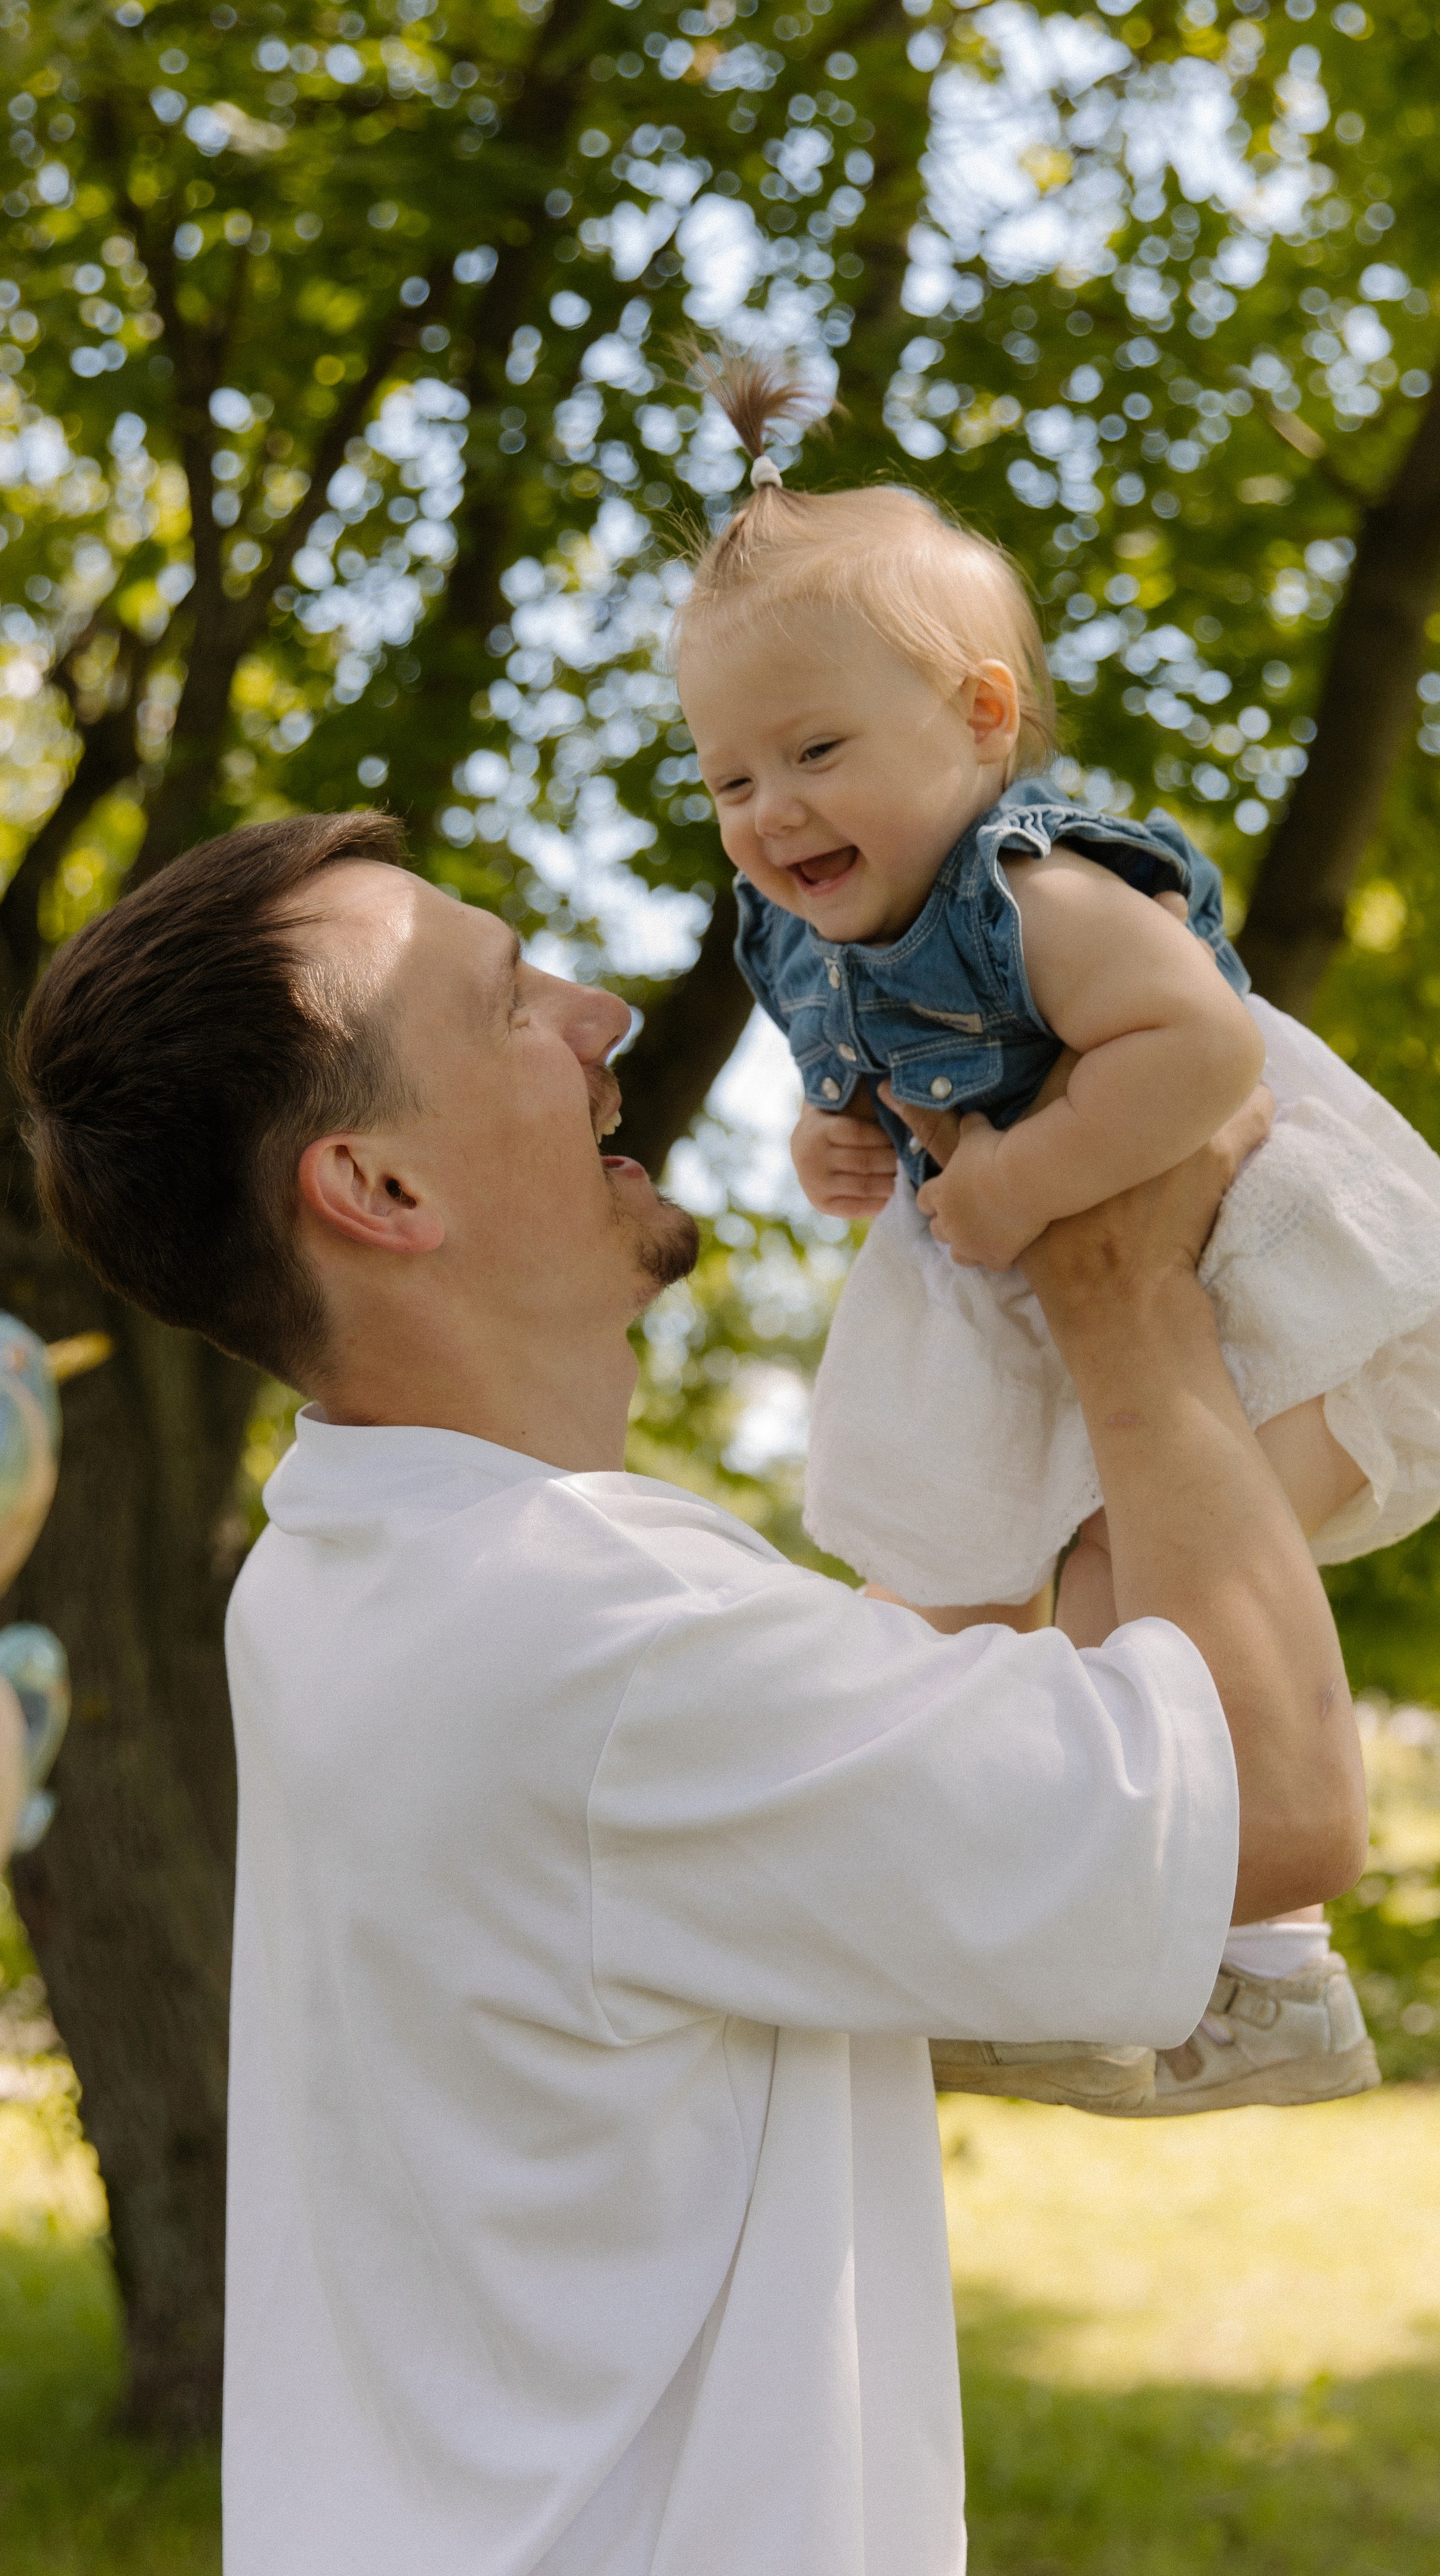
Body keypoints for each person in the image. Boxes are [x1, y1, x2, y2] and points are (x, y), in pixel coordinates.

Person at [14, 809, 1364, 2576]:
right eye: (509, 1005)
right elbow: (1274, 1809)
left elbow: (888, 1751)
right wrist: (1123, 1289)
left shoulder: (342, 1566)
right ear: (381, 1191)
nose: (603, 1017)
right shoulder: (594, 1641)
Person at [673, 352, 1440, 2116]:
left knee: (1123, 1606)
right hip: (1026, 1301)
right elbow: (852, 1078)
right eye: (727, 778)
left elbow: (1204, 1050)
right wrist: (835, 1146)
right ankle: (1061, 1955)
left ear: (983, 721)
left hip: (1258, 1280)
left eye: (818, 751)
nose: (770, 813)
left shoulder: (1040, 895)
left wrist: (1020, 1176)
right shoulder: (796, 935)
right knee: (951, 1623)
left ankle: (1274, 1978)